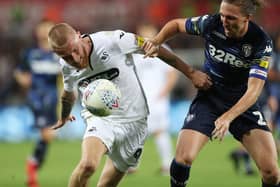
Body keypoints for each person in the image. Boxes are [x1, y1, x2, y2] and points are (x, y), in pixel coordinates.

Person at [47, 23, 211, 187]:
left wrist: (191, 73)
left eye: (75, 50)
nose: (74, 59)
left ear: (78, 34)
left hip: (134, 121)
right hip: (101, 119)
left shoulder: (113, 40)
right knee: (88, 165)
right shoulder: (66, 65)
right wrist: (64, 116)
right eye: (66, 57)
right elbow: (68, 93)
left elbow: (154, 48)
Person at [142, 0, 280, 187]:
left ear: (247, 18)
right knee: (184, 158)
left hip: (242, 103)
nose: (224, 21)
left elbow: (254, 90)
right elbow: (176, 25)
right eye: (222, 15)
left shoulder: (260, 42)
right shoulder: (211, 23)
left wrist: (227, 117)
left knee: (271, 172)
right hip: (210, 98)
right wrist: (157, 41)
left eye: (230, 17)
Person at [14, 19, 61, 187]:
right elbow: (19, 72)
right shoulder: (31, 53)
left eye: (48, 29)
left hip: (53, 99)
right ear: (37, 32)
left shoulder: (59, 54)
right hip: (36, 98)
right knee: (48, 134)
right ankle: (32, 167)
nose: (44, 32)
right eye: (42, 29)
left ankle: (34, 163)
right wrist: (23, 79)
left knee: (49, 136)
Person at [130, 23, 178, 175]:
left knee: (159, 131)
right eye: (143, 34)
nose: (146, 37)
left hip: (157, 99)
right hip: (139, 98)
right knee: (135, 132)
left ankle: (167, 165)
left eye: (149, 33)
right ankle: (131, 165)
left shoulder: (163, 49)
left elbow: (172, 73)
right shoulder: (135, 52)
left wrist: (163, 93)